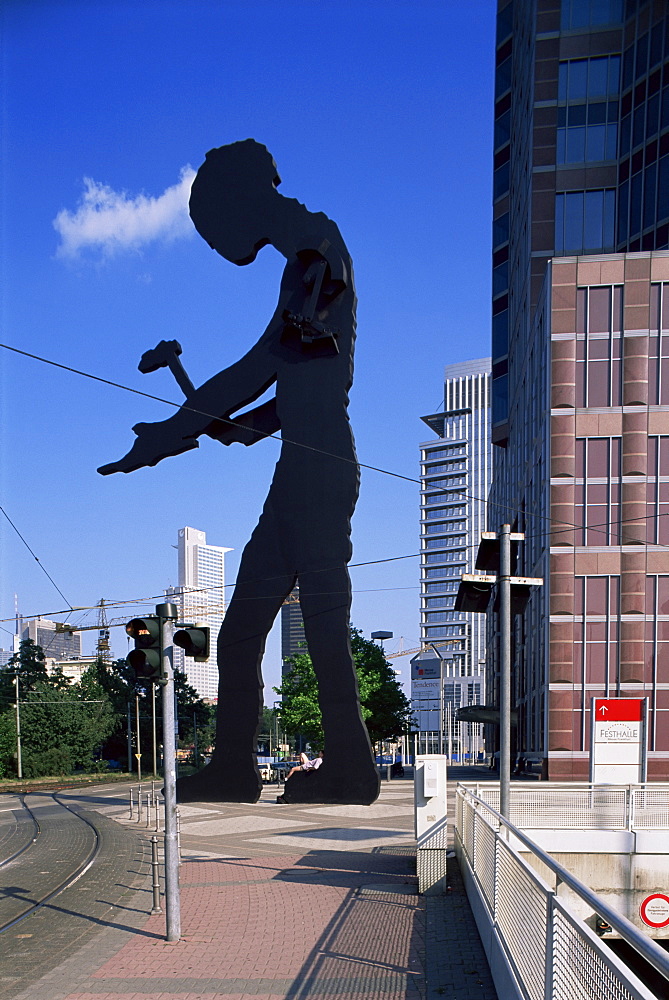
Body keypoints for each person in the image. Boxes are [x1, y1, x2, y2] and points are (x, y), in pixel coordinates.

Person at [99, 140, 379, 806]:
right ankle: (231, 767)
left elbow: (257, 366)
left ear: (240, 201)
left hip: (318, 472)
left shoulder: (314, 254)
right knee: (240, 632)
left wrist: (171, 433)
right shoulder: (311, 261)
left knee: (323, 624)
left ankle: (350, 766)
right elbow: (281, 397)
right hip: (298, 471)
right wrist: (225, 425)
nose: (217, 242)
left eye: (212, 225)